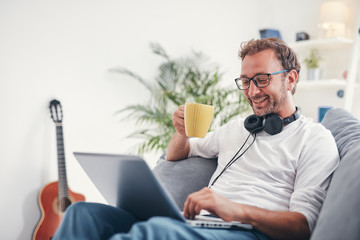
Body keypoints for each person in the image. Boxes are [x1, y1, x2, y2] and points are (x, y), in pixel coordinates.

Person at [53, 38, 339, 240]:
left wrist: (235, 210)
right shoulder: (238, 128)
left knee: (153, 234)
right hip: (194, 223)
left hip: (246, 232)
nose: (252, 92)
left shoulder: (315, 139)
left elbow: (303, 226)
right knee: (82, 213)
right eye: (246, 81)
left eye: (262, 79)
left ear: (290, 79)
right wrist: (181, 133)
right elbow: (181, 152)